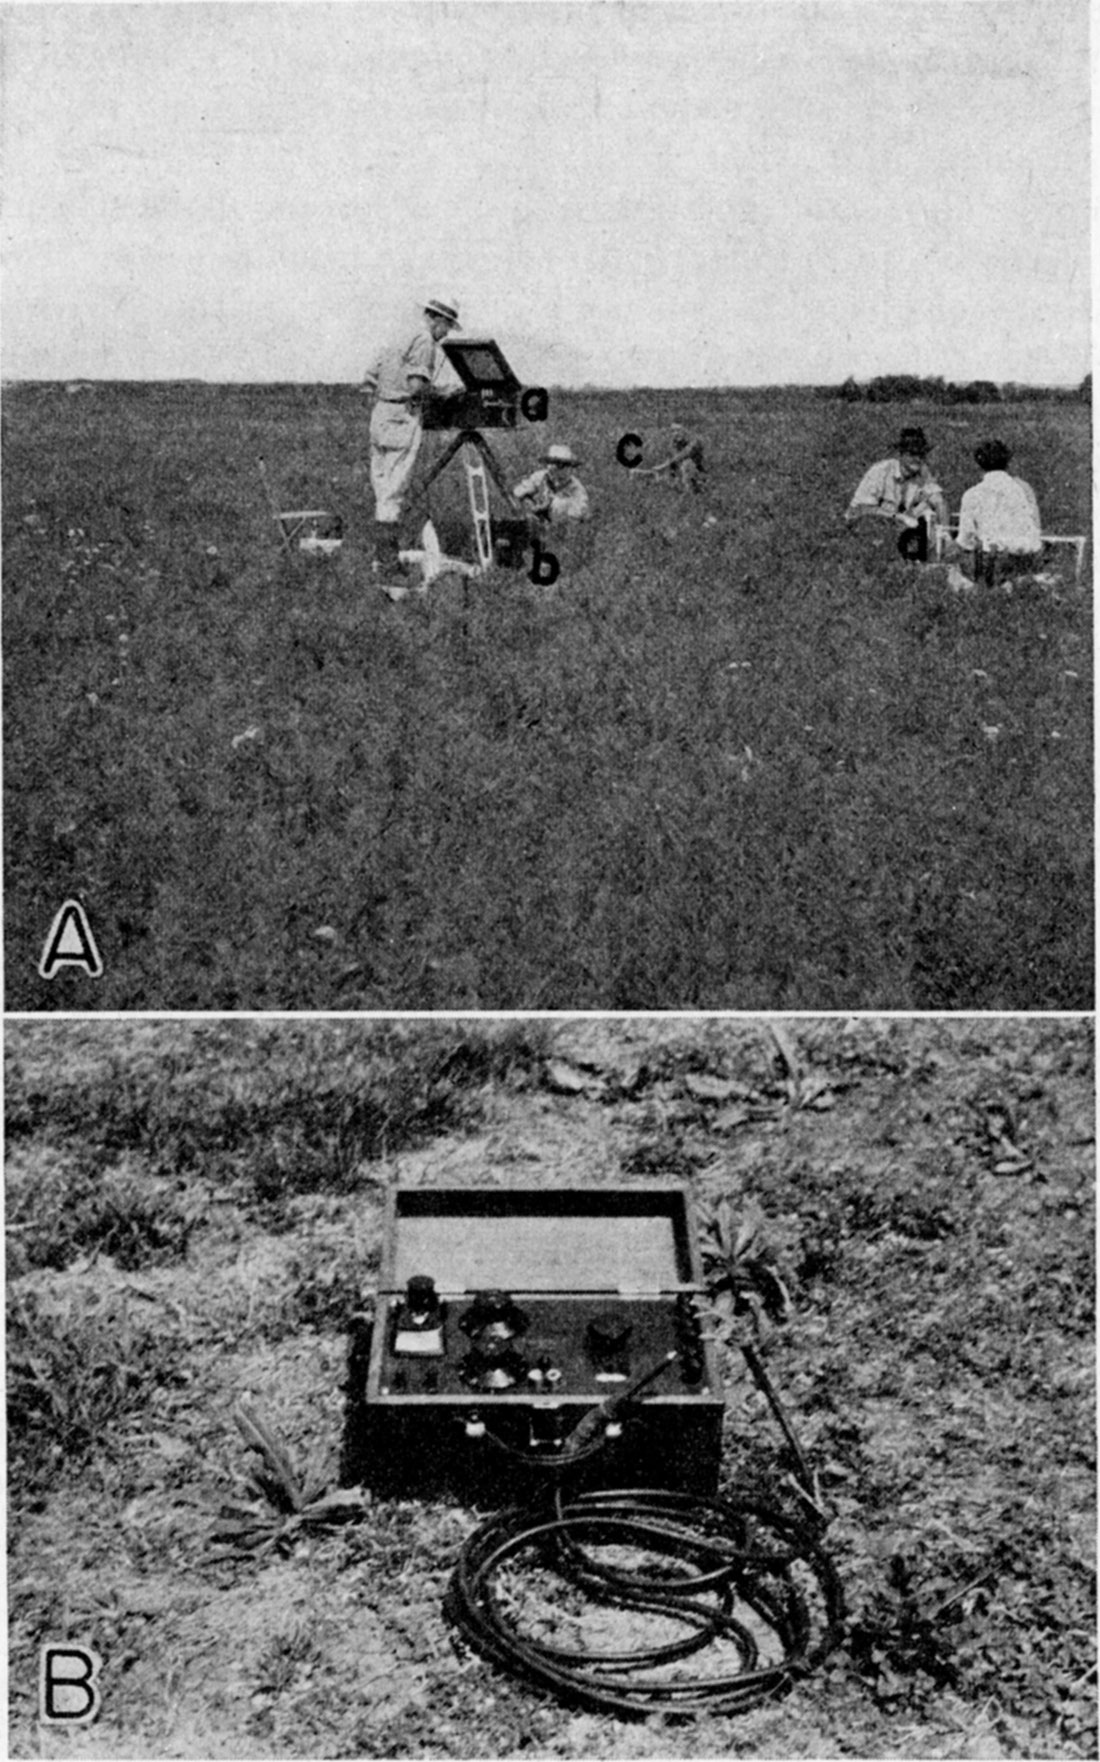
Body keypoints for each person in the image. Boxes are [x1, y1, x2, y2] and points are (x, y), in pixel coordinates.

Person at [362, 297, 460, 590]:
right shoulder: (424, 341)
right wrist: (443, 393)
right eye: (447, 327)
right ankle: (388, 567)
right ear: (437, 320)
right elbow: (418, 387)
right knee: (394, 493)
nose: (446, 334)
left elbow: (368, 381)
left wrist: (387, 397)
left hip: (380, 415)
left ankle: (382, 559)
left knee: (382, 490)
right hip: (402, 418)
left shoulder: (397, 335)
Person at [845, 426, 949, 562]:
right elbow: (859, 510)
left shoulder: (922, 472)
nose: (917, 459)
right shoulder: (881, 471)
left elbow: (939, 500)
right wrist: (898, 517)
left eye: (921, 454)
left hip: (897, 531)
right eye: (912, 454)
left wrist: (945, 534)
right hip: (868, 528)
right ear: (901, 454)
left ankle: (930, 558)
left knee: (927, 512)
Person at [954, 439, 1042, 586]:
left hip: (996, 563)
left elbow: (966, 540)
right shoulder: (1022, 489)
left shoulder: (972, 494)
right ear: (1007, 464)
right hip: (1028, 559)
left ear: (979, 466)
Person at [513, 444, 591, 525]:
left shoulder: (575, 487)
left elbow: (582, 511)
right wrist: (530, 504)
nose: (554, 468)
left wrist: (551, 504)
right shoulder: (540, 477)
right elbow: (518, 491)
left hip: (560, 523)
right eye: (552, 463)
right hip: (536, 520)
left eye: (562, 465)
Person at [641, 421, 707, 493]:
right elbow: (673, 459)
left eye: (678, 431)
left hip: (694, 470)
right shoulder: (674, 443)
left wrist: (664, 465)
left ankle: (694, 489)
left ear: (684, 431)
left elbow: (684, 454)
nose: (675, 433)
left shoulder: (695, 441)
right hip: (679, 472)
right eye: (673, 431)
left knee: (687, 465)